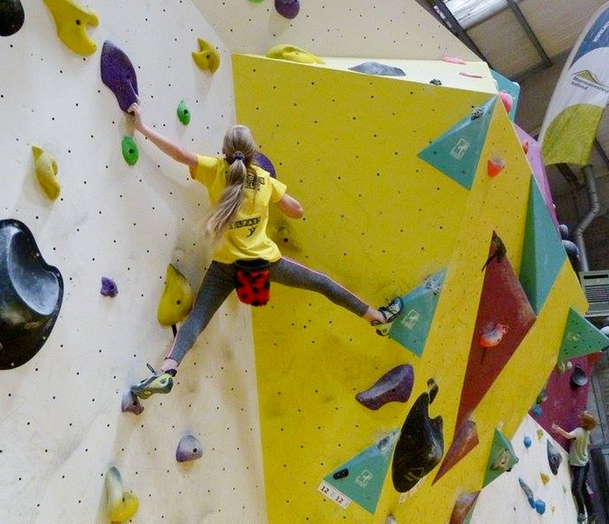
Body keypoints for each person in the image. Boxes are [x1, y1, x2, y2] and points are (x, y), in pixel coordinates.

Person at [124, 102, 402, 400]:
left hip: (224, 267)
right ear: (253, 152)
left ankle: (168, 370)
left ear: (224, 150)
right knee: (322, 283)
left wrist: (142, 127)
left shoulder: (215, 170)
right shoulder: (264, 180)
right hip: (265, 264)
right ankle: (377, 318)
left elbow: (180, 154)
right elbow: (297, 211)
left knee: (196, 320)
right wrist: (278, 196)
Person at [552, 411, 599, 523]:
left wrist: (557, 429)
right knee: (582, 488)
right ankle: (592, 512)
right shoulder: (586, 433)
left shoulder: (579, 431)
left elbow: (568, 435)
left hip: (580, 465)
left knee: (575, 488)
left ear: (584, 422)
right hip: (582, 463)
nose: (579, 419)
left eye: (581, 418)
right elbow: (586, 443)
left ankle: (582, 512)